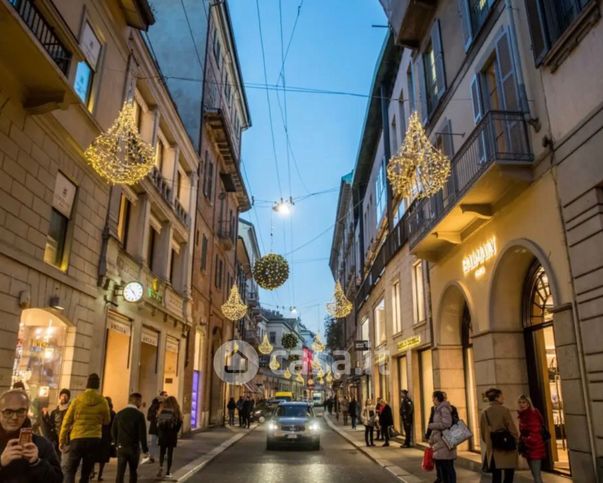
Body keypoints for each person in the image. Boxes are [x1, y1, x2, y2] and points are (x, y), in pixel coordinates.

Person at [0, 389, 62, 483]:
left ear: (27, 412)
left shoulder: (42, 444)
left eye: (20, 411)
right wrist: (1, 462)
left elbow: (57, 480)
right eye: (8, 412)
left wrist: (37, 463)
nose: (14, 417)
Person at [59, 373, 111, 483]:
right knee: (86, 472)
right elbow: (107, 421)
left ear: (87, 385)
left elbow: (66, 421)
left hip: (77, 437)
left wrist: (61, 440)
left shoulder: (77, 400)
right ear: (98, 385)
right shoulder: (103, 401)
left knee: (70, 470)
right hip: (94, 438)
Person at [480, 388, 519, 483]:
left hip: (494, 446)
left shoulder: (484, 412)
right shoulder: (504, 410)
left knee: (496, 475)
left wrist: (489, 443)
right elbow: (511, 427)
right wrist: (516, 439)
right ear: (497, 398)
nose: (503, 398)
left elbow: (483, 432)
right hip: (507, 445)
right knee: (509, 473)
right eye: (502, 396)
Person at [112, 393, 149, 483]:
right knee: (133, 472)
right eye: (140, 401)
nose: (140, 403)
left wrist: (116, 443)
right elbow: (142, 434)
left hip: (121, 447)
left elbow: (113, 430)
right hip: (133, 447)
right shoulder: (139, 415)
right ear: (136, 401)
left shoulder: (119, 414)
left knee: (120, 472)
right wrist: (145, 449)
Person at [428, 391, 456, 483]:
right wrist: (431, 438)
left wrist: (432, 425)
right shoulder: (438, 408)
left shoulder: (443, 408)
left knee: (447, 467)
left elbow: (446, 423)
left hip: (444, 442)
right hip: (440, 442)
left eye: (433, 398)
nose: (432, 400)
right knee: (443, 468)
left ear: (436, 398)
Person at [517, 394, 546, 483]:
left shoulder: (532, 414)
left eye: (524, 402)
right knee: (534, 474)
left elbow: (535, 431)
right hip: (528, 447)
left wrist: (526, 440)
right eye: (520, 402)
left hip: (534, 447)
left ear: (528, 403)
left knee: (536, 475)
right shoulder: (523, 415)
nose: (522, 404)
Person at [156, 396, 183, 479]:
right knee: (170, 453)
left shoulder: (164, 412)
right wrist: (175, 432)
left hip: (163, 435)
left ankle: (161, 466)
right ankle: (168, 471)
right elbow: (179, 423)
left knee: (162, 451)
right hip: (172, 435)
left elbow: (159, 425)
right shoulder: (176, 412)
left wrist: (159, 433)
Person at [42, 388, 70, 461]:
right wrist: (46, 415)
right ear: (60, 397)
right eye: (62, 395)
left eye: (66, 396)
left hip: (66, 440)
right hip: (56, 439)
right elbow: (51, 424)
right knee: (57, 459)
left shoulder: (70, 411)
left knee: (65, 461)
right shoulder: (55, 412)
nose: (63, 397)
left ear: (68, 398)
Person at [92, 396, 115, 481]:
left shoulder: (98, 411)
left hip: (96, 435)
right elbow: (113, 426)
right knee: (103, 458)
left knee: (93, 455)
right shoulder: (112, 413)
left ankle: (92, 471)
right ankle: (99, 475)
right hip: (106, 437)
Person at [147, 390, 167, 463]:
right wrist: (156, 416)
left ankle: (162, 455)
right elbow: (149, 417)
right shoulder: (153, 407)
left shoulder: (166, 407)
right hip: (156, 427)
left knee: (159, 442)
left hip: (161, 427)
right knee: (154, 442)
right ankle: (152, 456)